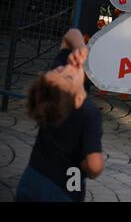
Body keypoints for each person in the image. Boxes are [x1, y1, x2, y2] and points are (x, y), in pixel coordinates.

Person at [16, 28, 104, 202]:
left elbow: (69, 35)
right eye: (69, 77)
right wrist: (84, 167)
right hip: (64, 191)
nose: (69, 68)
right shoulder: (89, 113)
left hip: (33, 177)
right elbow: (95, 165)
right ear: (78, 99)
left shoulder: (55, 94)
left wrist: (79, 47)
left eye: (60, 69)